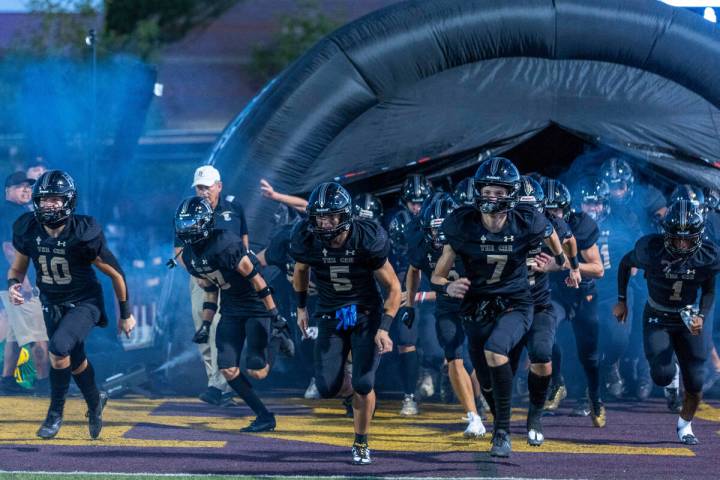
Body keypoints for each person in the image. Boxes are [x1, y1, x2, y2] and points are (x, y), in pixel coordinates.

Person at [432, 157, 580, 457]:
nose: (493, 198)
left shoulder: (529, 219)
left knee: (505, 351)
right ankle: (500, 420)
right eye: (488, 191)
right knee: (486, 382)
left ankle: (504, 430)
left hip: (518, 302)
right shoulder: (463, 223)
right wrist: (447, 284)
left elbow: (557, 236)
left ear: (514, 195)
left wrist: (562, 263)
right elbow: (438, 273)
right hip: (476, 306)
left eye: (500, 193)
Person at [7, 170, 136, 439]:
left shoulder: (82, 232)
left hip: (84, 302)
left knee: (58, 348)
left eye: (56, 199)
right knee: (74, 359)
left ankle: (55, 413)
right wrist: (13, 286)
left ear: (68, 201)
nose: (49, 205)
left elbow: (116, 274)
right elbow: (18, 270)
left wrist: (126, 314)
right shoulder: (28, 228)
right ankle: (94, 401)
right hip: (51, 301)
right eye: (44, 199)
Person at [290, 181, 400, 465]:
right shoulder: (306, 237)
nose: (324, 223)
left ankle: (361, 441)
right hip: (331, 313)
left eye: (331, 216)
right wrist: (301, 308)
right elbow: (301, 270)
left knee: (364, 383)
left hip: (364, 313)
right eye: (319, 217)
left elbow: (394, 288)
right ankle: (353, 385)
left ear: (345, 215)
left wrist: (384, 328)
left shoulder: (366, 237)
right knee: (326, 387)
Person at [175, 196, 293, 432]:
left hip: (255, 304)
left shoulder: (225, 243)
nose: (187, 230)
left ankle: (275, 340)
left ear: (206, 223)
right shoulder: (189, 256)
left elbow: (257, 280)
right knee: (227, 368)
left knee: (256, 370)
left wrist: (275, 316)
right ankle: (264, 416)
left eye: (192, 224)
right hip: (230, 307)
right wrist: (206, 325)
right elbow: (210, 289)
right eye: (184, 224)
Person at [613, 199, 720, 445]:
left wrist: (701, 316)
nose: (682, 244)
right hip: (658, 314)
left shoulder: (708, 254)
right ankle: (671, 380)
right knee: (661, 374)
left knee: (696, 380)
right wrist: (622, 300)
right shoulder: (651, 248)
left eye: (688, 238)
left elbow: (710, 290)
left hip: (688, 314)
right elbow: (625, 263)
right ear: (666, 234)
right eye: (677, 238)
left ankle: (685, 425)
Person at [404, 193, 485, 437]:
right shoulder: (421, 241)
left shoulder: (472, 237)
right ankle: (473, 415)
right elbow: (414, 270)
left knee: (480, 358)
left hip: (475, 302)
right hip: (446, 305)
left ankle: (482, 401)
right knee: (454, 356)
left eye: (444, 230)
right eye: (434, 230)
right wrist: (409, 304)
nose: (439, 237)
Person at [174, 165, 249, 406]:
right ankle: (214, 382)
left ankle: (223, 385)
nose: (202, 191)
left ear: (219, 186)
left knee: (221, 327)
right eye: (199, 187)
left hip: (230, 278)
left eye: (207, 186)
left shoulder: (234, 208)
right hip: (202, 276)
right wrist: (196, 272)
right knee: (204, 328)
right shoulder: (187, 210)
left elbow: (244, 242)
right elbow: (178, 251)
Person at [510, 176, 577, 445]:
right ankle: (497, 420)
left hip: (538, 302)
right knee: (498, 360)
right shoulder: (496, 225)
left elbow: (570, 242)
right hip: (506, 303)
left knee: (541, 355)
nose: (526, 216)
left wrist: (566, 264)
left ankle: (534, 416)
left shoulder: (552, 224)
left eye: (532, 209)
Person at [541, 178, 606, 425]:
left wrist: (564, 264)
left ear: (566, 209)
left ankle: (595, 398)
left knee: (588, 353)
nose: (551, 216)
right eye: (546, 211)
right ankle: (556, 383)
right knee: (544, 332)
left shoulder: (580, 225)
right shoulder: (534, 226)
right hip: (555, 292)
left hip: (583, 294)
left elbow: (598, 269)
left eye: (555, 210)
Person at [0, 172, 49, 395]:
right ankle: (44, 383)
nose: (26, 190)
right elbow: (10, 248)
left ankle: (7, 380)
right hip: (19, 284)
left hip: (9, 283)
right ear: (7, 190)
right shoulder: (13, 213)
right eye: (19, 186)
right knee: (38, 336)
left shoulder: (14, 212)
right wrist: (25, 283)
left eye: (28, 187)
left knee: (14, 335)